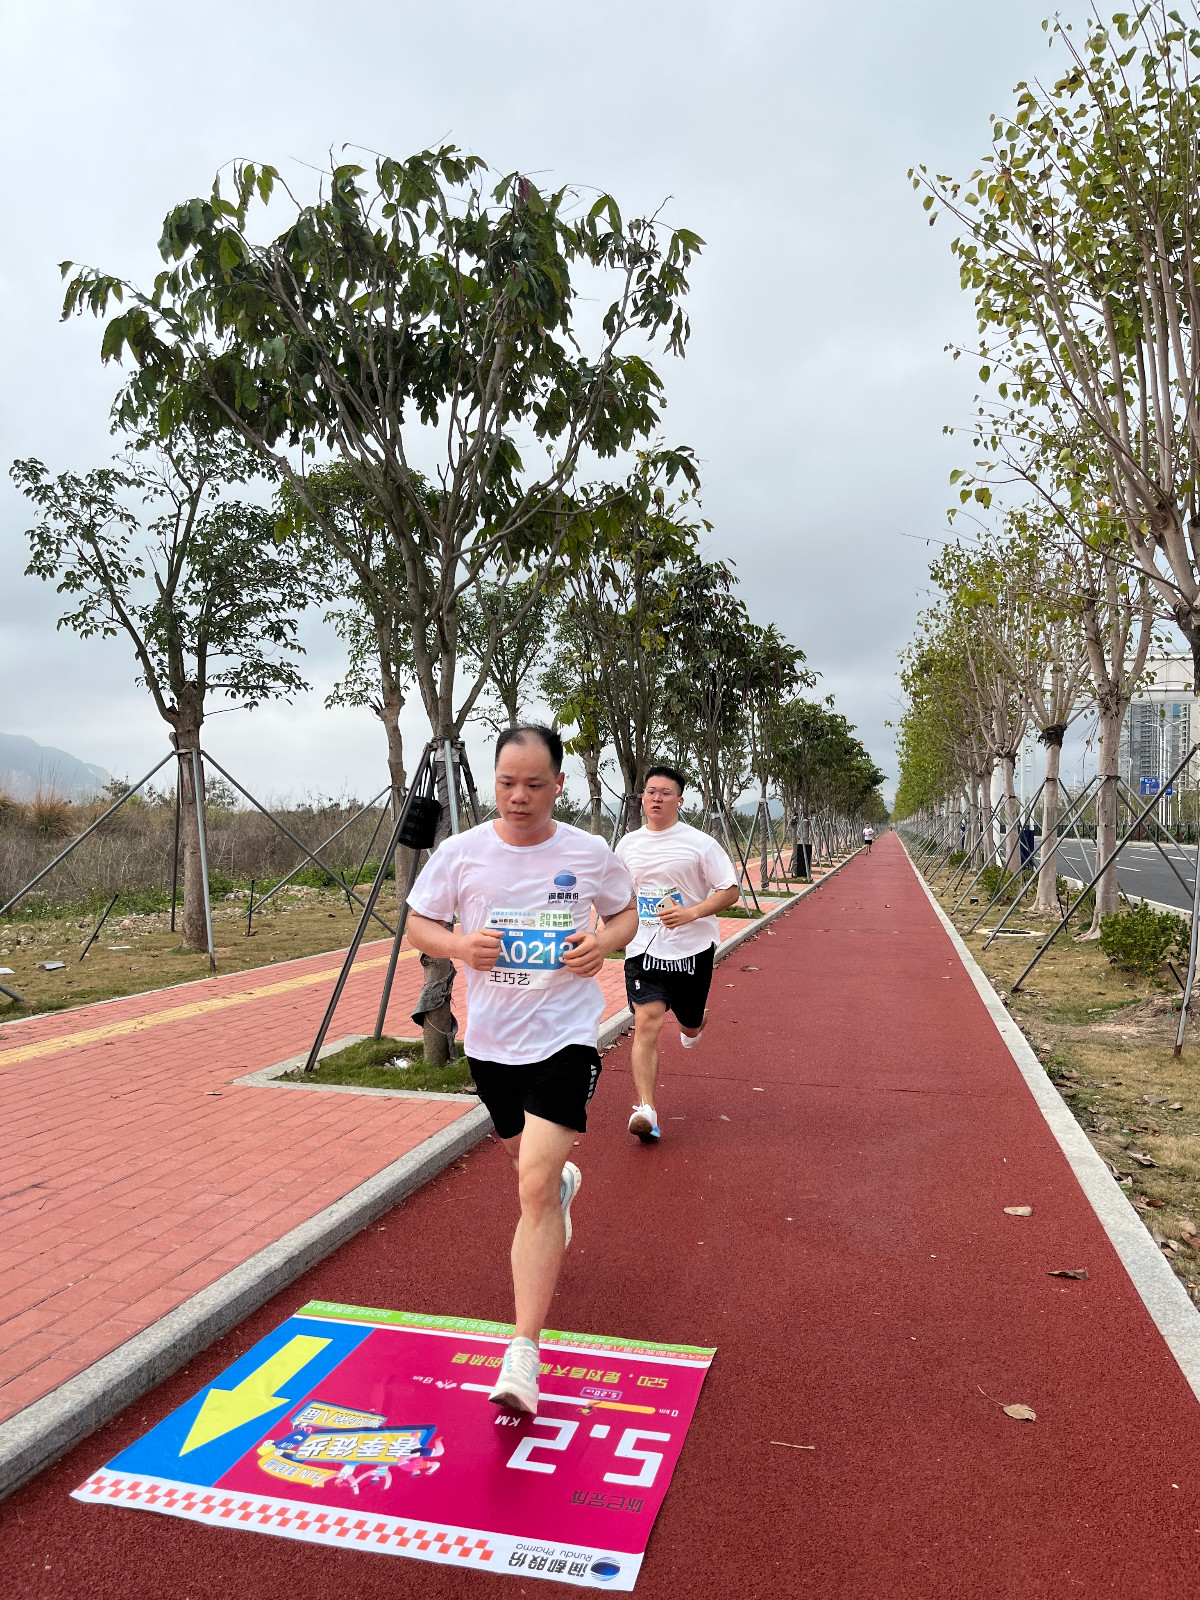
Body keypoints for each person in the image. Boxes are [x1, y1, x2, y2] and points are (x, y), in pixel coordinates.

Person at [406, 725, 637, 1416]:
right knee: (524, 1164)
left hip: (566, 1037)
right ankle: (561, 1186)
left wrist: (602, 942)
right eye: (508, 783)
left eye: (535, 784)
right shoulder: (461, 853)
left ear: (558, 785)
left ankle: (524, 1352)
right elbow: (419, 923)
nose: (519, 796)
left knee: (531, 1185)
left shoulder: (588, 852)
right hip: (492, 1045)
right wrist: (458, 946)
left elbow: (625, 914)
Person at [614, 766, 740, 1144]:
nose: (656, 798)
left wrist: (691, 913)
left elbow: (730, 889)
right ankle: (646, 1109)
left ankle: (695, 1022)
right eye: (650, 791)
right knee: (647, 1020)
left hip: (691, 949)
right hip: (643, 947)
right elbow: (619, 893)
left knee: (688, 1025)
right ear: (642, 798)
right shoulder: (627, 845)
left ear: (680, 801)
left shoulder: (700, 843)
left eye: (665, 793)